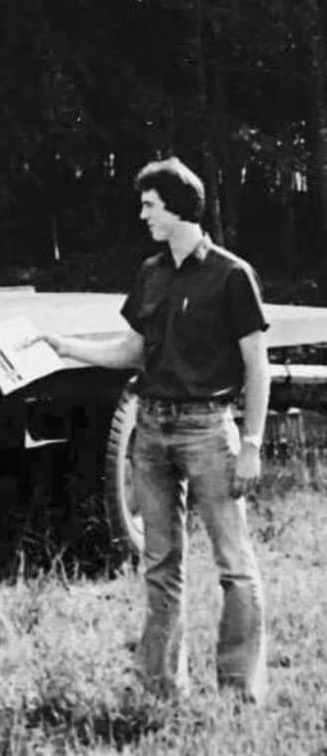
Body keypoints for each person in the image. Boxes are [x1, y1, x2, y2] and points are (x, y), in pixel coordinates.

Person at [34, 156, 269, 703]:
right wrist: (64, 347)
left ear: (180, 208)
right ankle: (159, 687)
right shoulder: (151, 273)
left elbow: (256, 366)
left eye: (150, 205)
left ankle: (239, 690)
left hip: (208, 430)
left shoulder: (232, 275)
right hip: (151, 428)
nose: (143, 215)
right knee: (160, 564)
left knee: (234, 564)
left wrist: (252, 444)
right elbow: (131, 351)